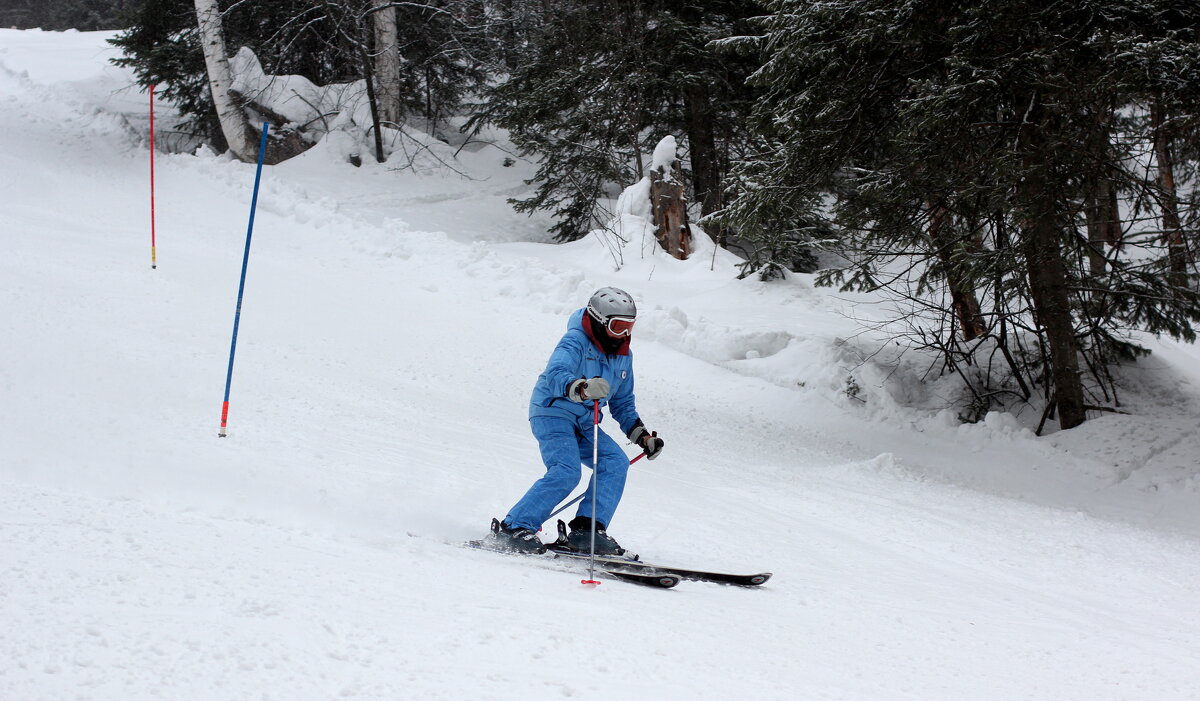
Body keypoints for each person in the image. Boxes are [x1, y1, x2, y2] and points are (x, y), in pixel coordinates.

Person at [491, 287, 664, 555]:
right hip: (552, 412)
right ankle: (514, 528)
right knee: (567, 470)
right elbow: (556, 373)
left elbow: (623, 403)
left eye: (629, 326)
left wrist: (642, 437)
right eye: (618, 327)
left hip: (584, 421)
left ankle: (587, 530)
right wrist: (581, 388)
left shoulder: (623, 356)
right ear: (599, 320)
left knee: (615, 462)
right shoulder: (575, 341)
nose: (625, 334)